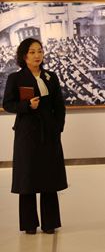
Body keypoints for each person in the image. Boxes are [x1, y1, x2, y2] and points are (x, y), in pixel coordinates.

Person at [2, 38, 67, 235]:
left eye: (39, 51)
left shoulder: (50, 76)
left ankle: (50, 223)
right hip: (27, 134)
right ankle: (29, 224)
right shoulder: (16, 78)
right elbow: (8, 104)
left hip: (49, 133)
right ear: (24, 56)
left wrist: (58, 128)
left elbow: (59, 106)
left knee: (49, 176)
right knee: (27, 178)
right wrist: (27, 106)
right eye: (32, 52)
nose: (37, 55)